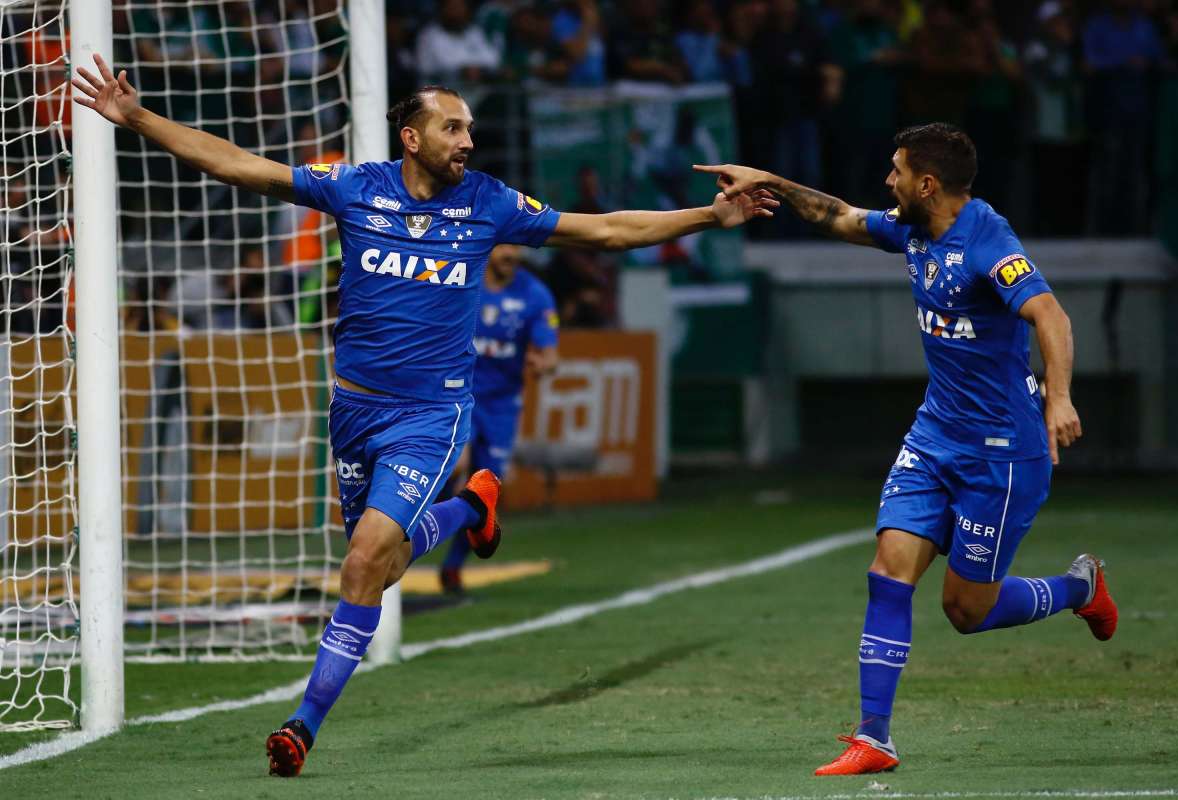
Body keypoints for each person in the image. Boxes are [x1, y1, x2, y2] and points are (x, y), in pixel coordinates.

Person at [72, 54, 776, 778]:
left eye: (469, 127)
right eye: (452, 127)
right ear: (411, 138)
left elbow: (603, 231)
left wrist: (708, 216)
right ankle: (471, 509)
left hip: (430, 415)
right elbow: (238, 165)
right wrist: (137, 118)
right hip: (353, 411)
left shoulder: (490, 203)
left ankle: (302, 727)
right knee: (379, 570)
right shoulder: (355, 187)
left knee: (363, 561)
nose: (467, 141)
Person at [695, 122, 1118, 776]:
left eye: (896, 172)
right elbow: (838, 216)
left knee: (965, 610)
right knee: (888, 572)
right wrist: (768, 181)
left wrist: (1059, 397)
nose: (887, 183)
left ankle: (1078, 588)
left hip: (1001, 454)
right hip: (933, 436)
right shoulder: (911, 225)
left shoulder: (989, 242)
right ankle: (875, 738)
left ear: (928, 183)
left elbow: (1051, 316)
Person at [437, 244, 559, 594]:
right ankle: (414, 529)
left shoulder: (535, 295)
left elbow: (550, 354)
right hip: (458, 394)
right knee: (455, 465)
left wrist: (544, 364)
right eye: (504, 245)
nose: (511, 253)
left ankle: (452, 566)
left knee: (487, 487)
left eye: (516, 246)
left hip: (503, 404)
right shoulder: (463, 280)